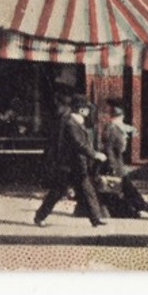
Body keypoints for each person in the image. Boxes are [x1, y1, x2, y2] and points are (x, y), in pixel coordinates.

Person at [34, 96, 107, 228]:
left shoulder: (76, 121)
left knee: (87, 190)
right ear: (80, 109)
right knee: (57, 192)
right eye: (86, 108)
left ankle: (96, 218)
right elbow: (78, 144)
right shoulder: (71, 123)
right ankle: (40, 216)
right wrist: (94, 154)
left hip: (77, 165)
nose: (88, 110)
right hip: (68, 166)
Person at [98, 100, 148, 219]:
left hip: (117, 162)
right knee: (121, 188)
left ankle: (141, 207)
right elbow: (109, 149)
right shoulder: (112, 128)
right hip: (114, 163)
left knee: (123, 188)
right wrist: (112, 165)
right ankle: (140, 207)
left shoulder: (116, 127)